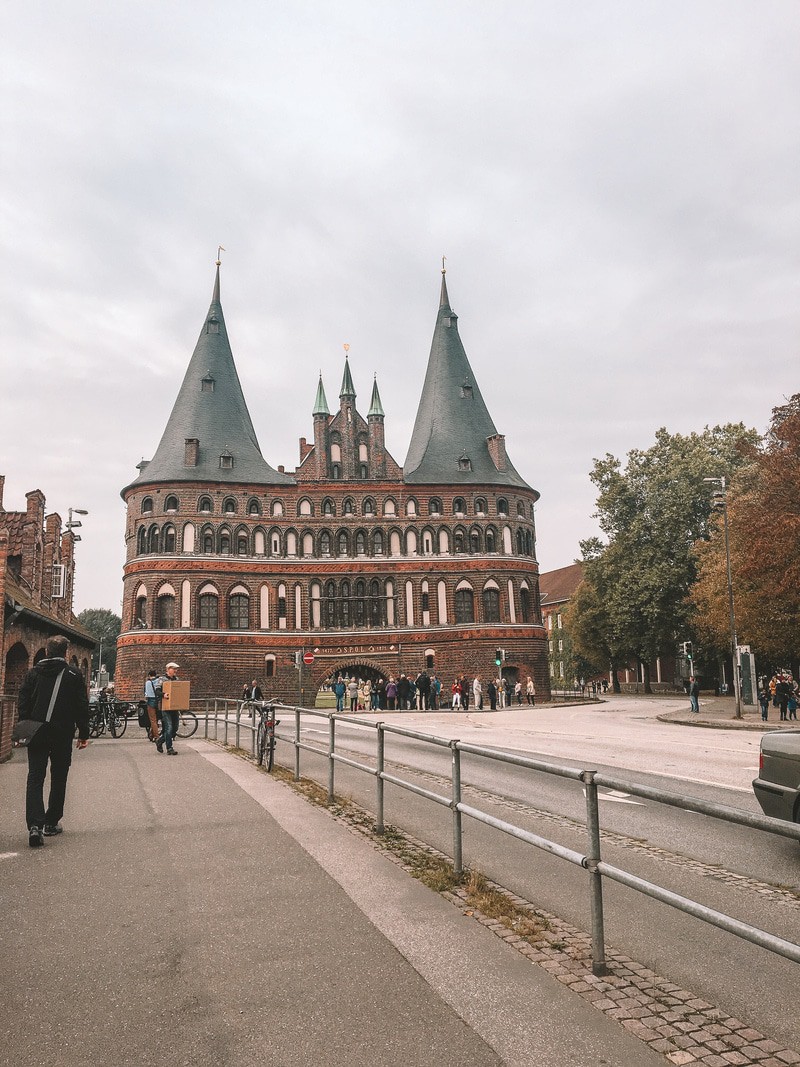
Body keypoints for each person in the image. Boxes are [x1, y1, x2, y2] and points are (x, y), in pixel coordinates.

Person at [17, 634, 90, 847]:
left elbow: (23, 701)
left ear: (47, 651)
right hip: (62, 733)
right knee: (59, 776)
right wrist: (83, 734)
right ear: (65, 653)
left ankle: (34, 826)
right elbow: (81, 706)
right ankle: (51, 822)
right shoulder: (73, 675)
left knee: (35, 777)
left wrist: (26, 724)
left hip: (37, 732)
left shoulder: (33, 673)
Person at [157, 662, 181, 754]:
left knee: (175, 728)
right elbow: (157, 691)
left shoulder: (177, 680)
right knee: (169, 727)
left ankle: (160, 741)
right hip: (165, 707)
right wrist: (164, 694)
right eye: (174, 669)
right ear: (168, 669)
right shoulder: (162, 679)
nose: (175, 671)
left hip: (175, 707)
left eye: (176, 669)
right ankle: (169, 748)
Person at [144, 669, 162, 743]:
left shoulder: (148, 682)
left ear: (149, 675)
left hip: (151, 701)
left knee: (153, 720)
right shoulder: (159, 681)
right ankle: (151, 734)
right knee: (157, 718)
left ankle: (156, 736)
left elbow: (146, 694)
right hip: (158, 701)